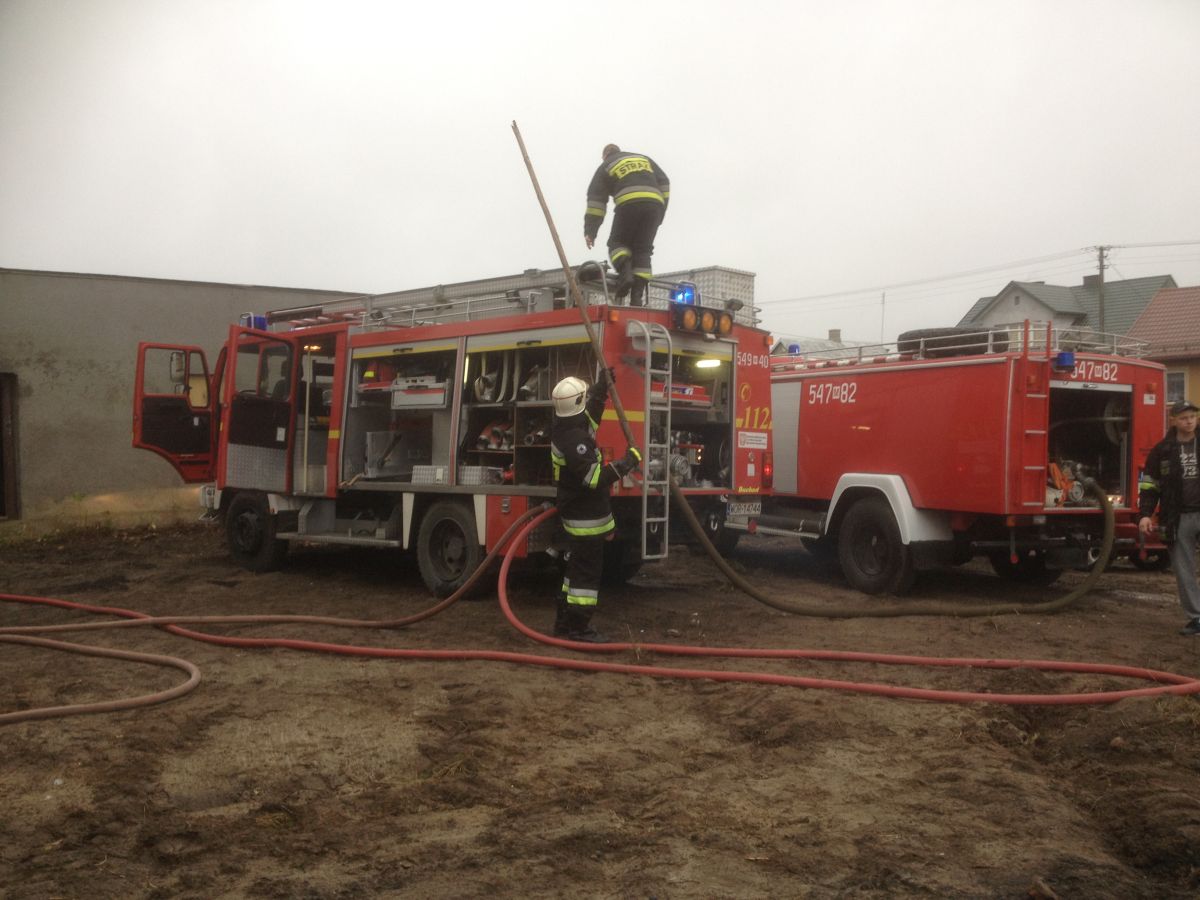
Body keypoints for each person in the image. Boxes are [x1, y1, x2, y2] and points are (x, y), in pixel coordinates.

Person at [549, 373, 641, 642]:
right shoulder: (575, 442)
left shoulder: (566, 428)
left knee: (574, 574)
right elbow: (593, 478)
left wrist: (600, 391)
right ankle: (578, 628)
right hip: (585, 521)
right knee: (585, 580)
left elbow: (588, 420)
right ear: (577, 403)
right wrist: (626, 464)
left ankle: (564, 623)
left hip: (580, 517)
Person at [1138, 398, 1200, 635]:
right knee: (1184, 570)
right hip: (1177, 518)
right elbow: (1149, 485)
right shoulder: (1161, 451)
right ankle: (1197, 618)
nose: (1189, 422)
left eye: (1192, 417)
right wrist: (1145, 515)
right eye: (1184, 418)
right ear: (1173, 420)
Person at [583, 143, 670, 308]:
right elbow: (664, 182)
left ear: (605, 156)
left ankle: (625, 273)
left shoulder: (606, 166)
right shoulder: (643, 159)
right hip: (654, 206)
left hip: (628, 204)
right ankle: (637, 298)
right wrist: (661, 211)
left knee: (617, 244)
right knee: (643, 250)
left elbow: (596, 203)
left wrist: (591, 231)